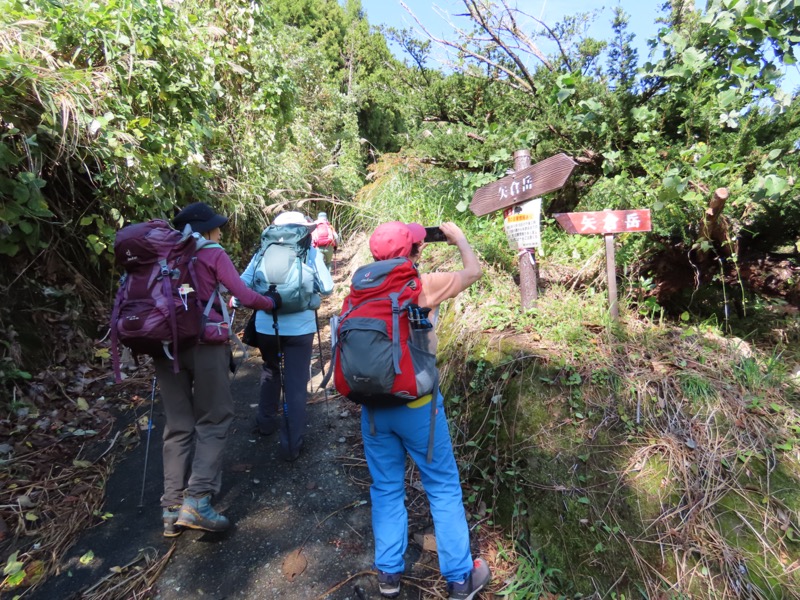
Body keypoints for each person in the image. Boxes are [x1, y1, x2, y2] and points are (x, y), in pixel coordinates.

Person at [361, 221, 490, 600]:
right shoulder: (422, 285)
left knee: (385, 489)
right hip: (417, 408)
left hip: (372, 409)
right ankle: (459, 579)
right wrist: (459, 238)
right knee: (442, 487)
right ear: (414, 253)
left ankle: (388, 575)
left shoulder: (359, 288)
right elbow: (474, 272)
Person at [157, 202, 280, 537]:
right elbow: (243, 294)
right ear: (204, 229)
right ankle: (197, 500)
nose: (220, 231)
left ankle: (170, 509)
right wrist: (271, 302)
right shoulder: (211, 253)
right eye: (216, 226)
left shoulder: (160, 253)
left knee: (178, 424)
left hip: (165, 345)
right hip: (205, 343)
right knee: (214, 417)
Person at [238, 211, 334, 461]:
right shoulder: (310, 252)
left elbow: (242, 284)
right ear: (303, 230)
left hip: (266, 326)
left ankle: (265, 423)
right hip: (300, 329)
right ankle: (291, 446)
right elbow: (327, 287)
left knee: (270, 370)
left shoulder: (263, 250)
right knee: (295, 384)